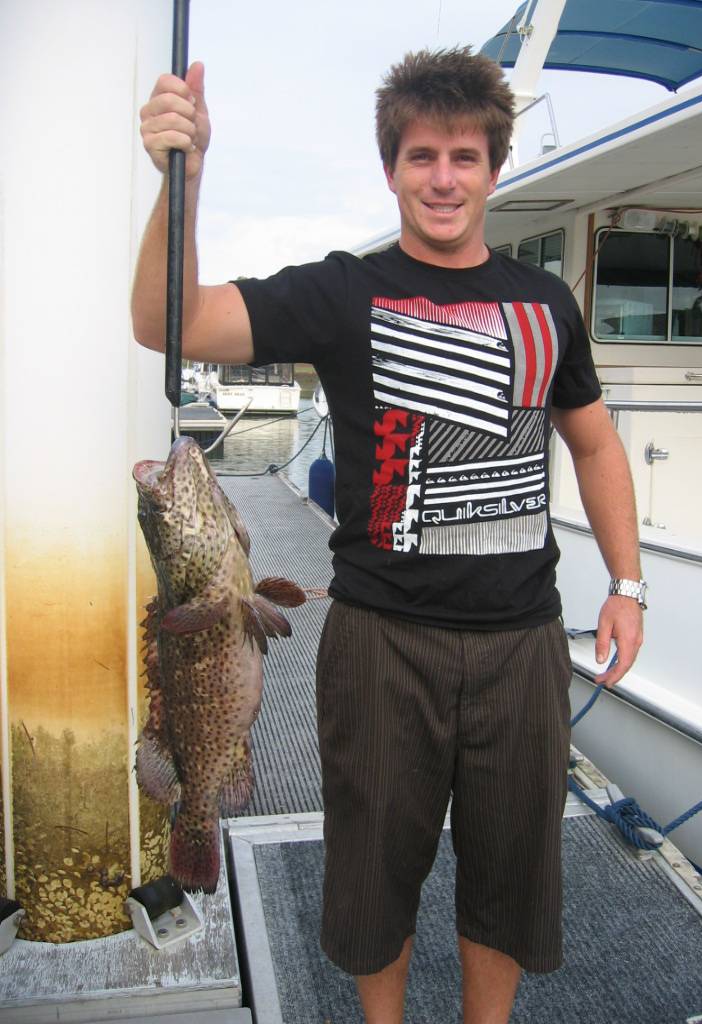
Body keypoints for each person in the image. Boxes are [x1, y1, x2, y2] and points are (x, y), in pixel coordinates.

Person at [133, 47, 644, 1024]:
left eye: (463, 155)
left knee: (510, 870)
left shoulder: (548, 306)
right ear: (392, 167)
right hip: (380, 644)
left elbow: (596, 443)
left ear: (495, 166)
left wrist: (629, 582)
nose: (443, 177)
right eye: (420, 156)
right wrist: (180, 180)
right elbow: (170, 323)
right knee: (371, 869)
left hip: (522, 643)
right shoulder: (341, 292)